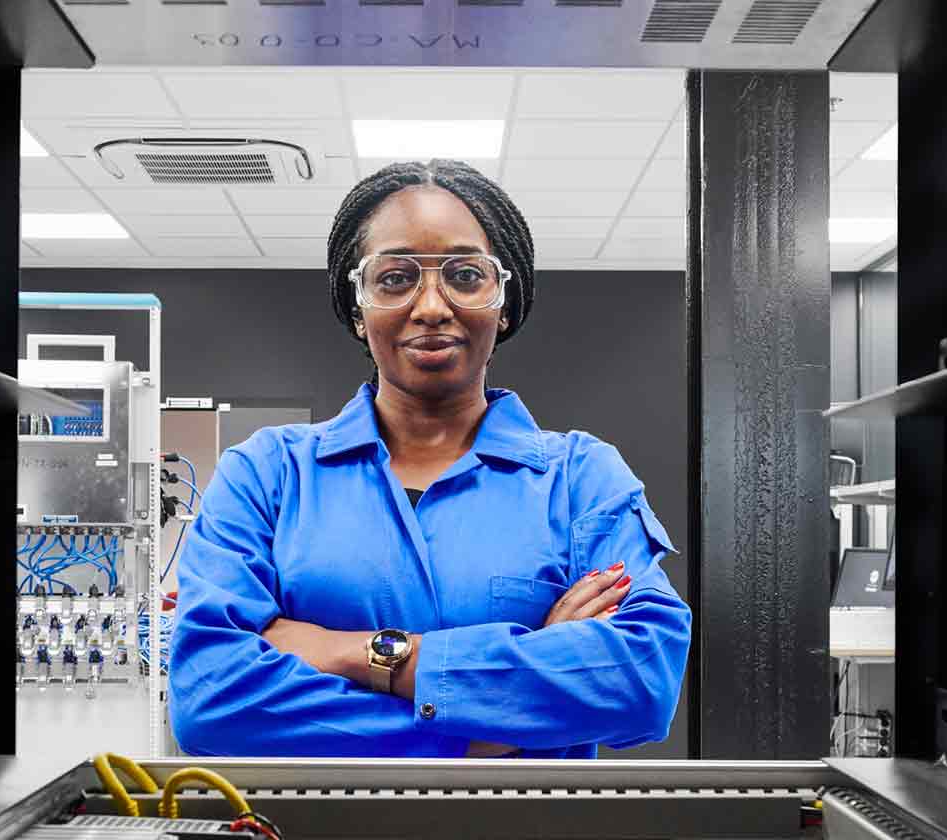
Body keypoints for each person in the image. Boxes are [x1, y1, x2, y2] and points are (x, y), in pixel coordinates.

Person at [166, 160, 691, 757]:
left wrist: (355, 652)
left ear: (505, 304)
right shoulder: (266, 475)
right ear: (358, 309)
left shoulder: (580, 479)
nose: (432, 305)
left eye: (466, 275)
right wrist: (480, 734)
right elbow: (210, 698)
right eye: (394, 279)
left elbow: (638, 681)